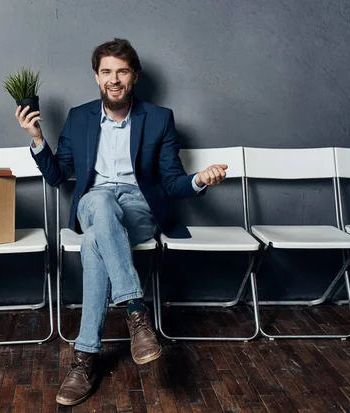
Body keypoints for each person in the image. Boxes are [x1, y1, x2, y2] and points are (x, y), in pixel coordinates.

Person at [15, 38, 227, 406]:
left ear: (135, 76)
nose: (114, 79)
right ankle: (135, 311)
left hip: (138, 208)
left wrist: (199, 180)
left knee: (95, 241)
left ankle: (84, 360)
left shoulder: (159, 119)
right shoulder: (79, 117)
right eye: (107, 72)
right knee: (98, 199)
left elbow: (173, 181)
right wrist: (37, 140)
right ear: (97, 77)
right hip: (94, 204)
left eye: (122, 71)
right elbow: (58, 175)